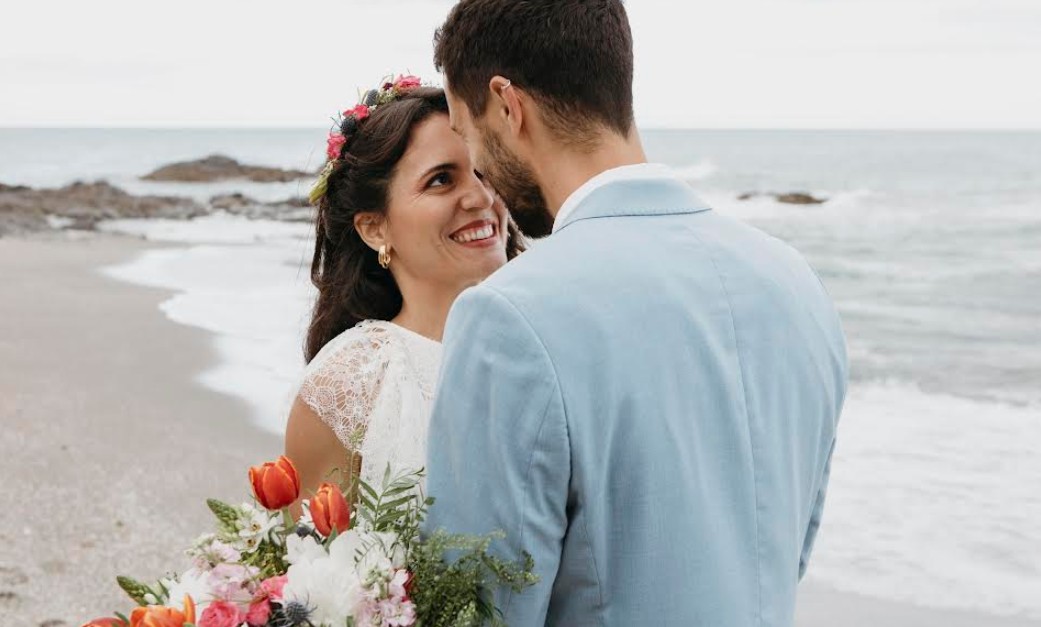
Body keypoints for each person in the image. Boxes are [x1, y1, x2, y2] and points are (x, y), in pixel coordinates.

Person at [424, 2, 849, 625]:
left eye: (466, 131)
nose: (480, 172)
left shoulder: (509, 315)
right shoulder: (795, 280)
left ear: (507, 106)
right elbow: (788, 552)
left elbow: (478, 603)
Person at [284, 78, 523, 506]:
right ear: (375, 229)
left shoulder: (556, 339)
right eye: (441, 180)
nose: (480, 197)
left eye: (484, 172)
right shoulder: (346, 388)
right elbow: (314, 563)